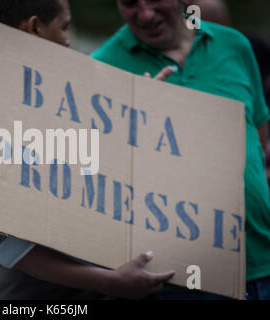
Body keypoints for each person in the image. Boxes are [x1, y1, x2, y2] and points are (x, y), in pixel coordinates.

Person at [0, 0, 175, 299]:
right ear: (34, 28)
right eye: (64, 27)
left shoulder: (33, 99)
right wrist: (112, 282)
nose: (68, 40)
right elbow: (12, 246)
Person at [92, 0, 270, 300]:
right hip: (180, 278)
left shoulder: (234, 44)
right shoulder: (102, 67)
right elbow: (96, 180)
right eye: (130, 3)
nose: (145, 14)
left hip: (262, 259)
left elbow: (258, 132)